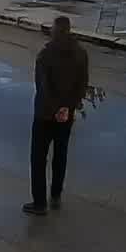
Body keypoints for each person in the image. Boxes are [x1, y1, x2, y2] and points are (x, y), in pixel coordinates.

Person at [24, 16, 90, 216]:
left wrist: (55, 109)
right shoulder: (81, 54)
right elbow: (82, 84)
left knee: (38, 158)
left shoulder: (45, 55)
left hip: (45, 115)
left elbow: (43, 87)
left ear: (55, 31)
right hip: (66, 115)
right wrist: (68, 108)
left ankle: (39, 202)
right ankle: (56, 193)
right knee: (60, 155)